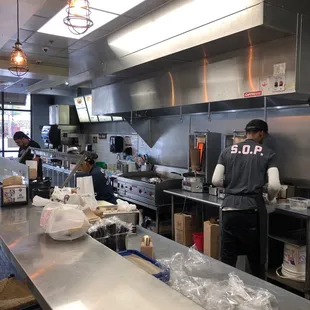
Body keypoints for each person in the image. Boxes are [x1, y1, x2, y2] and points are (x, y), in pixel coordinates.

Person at [212, 119, 281, 279]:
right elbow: (274, 186)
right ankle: (257, 298)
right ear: (261, 133)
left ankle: (226, 295)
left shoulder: (227, 151)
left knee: (228, 257)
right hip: (252, 211)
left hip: (229, 209)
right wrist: (270, 199)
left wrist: (231, 186)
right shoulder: (268, 153)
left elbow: (215, 180)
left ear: (246, 132)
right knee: (256, 261)